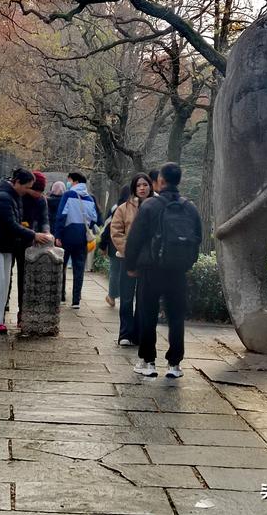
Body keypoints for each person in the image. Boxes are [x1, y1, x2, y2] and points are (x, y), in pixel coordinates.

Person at [125, 162, 202, 379]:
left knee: (148, 314)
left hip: (151, 269)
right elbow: (198, 238)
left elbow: (135, 239)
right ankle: (174, 365)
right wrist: (187, 262)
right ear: (179, 181)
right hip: (178, 270)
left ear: (160, 181)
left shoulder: (149, 206)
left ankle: (148, 362)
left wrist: (131, 266)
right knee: (176, 316)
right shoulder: (190, 207)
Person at [0, 168, 52, 333]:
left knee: (2, 283)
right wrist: (33, 234)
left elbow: (43, 219)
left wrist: (41, 232)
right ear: (18, 183)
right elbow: (12, 224)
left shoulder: (15, 196)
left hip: (7, 244)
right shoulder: (5, 197)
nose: (29, 191)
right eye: (28, 187)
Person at [111, 173, 153, 345]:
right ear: (134, 188)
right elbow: (116, 231)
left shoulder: (157, 206)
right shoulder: (124, 208)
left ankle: (139, 334)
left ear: (150, 186)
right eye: (138, 185)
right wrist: (130, 250)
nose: (142, 188)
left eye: (145, 185)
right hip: (127, 258)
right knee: (127, 298)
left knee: (144, 299)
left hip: (149, 261)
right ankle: (126, 334)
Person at [54, 171, 102, 309]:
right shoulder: (90, 199)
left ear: (74, 181)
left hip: (67, 236)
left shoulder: (68, 195)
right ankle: (76, 301)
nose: (68, 183)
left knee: (61, 266)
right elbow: (95, 219)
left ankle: (61, 296)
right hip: (82, 237)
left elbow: (61, 216)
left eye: (69, 180)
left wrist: (58, 235)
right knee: (79, 268)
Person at [15, 171, 51, 322]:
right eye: (35, 190)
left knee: (25, 278)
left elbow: (44, 219)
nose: (38, 194)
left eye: (41, 191)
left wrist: (47, 232)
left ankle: (23, 312)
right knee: (5, 278)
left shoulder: (41, 200)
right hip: (14, 238)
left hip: (31, 242)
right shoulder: (18, 196)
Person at [99, 185, 129, 307]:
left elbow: (107, 227)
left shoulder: (116, 208)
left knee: (114, 271)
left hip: (114, 243)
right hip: (129, 244)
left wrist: (102, 244)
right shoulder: (135, 208)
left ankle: (112, 296)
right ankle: (125, 297)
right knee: (126, 273)